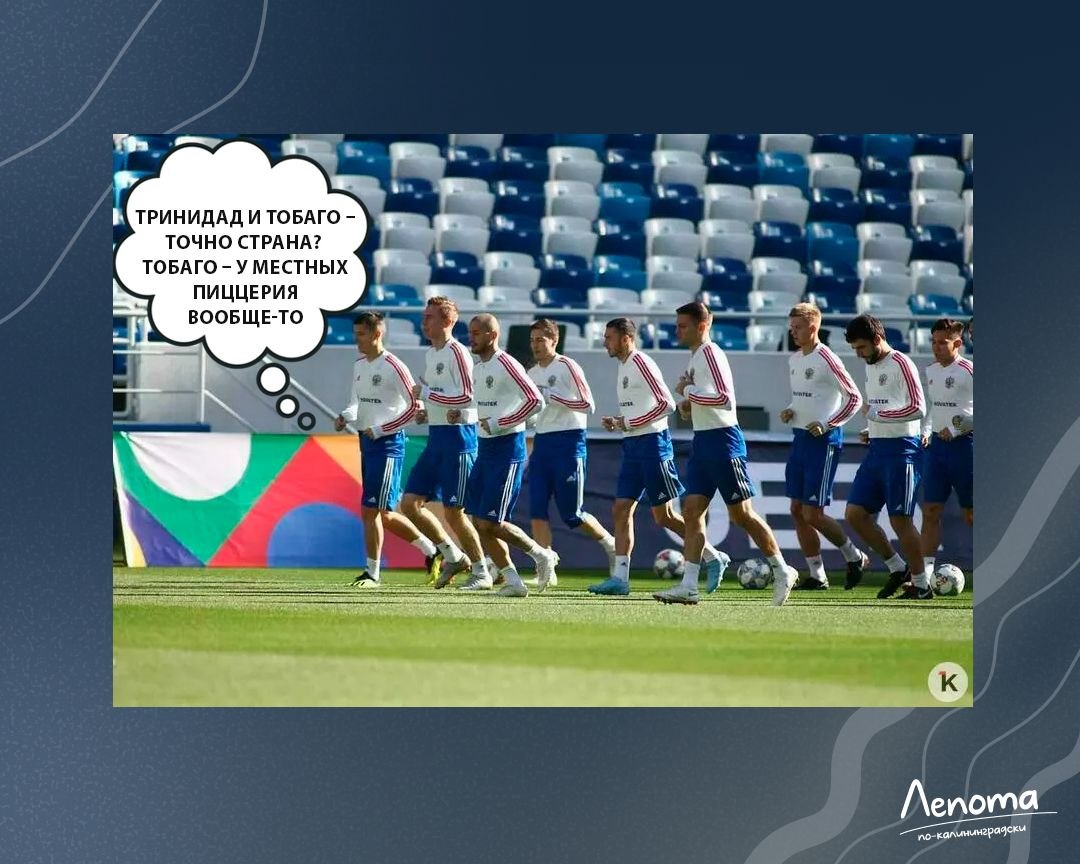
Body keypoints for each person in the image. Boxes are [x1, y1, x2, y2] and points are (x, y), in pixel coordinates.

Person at [654, 302, 796, 606]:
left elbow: (724, 399)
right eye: (677, 325)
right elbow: (705, 399)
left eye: (682, 325)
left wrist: (687, 391)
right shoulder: (696, 356)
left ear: (702, 325)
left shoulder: (711, 353)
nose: (677, 331)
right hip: (703, 441)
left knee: (742, 515)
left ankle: (783, 570)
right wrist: (688, 404)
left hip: (724, 441)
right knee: (692, 512)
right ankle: (689, 585)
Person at [590, 316, 729, 598]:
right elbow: (639, 409)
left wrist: (628, 423)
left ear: (626, 338)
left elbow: (666, 405)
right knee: (621, 509)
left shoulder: (641, 362)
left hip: (653, 444)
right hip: (632, 445)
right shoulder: (623, 366)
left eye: (609, 337)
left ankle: (713, 556)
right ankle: (620, 579)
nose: (605, 342)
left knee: (663, 516)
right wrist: (620, 422)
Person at [333, 312, 441, 586]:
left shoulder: (394, 366)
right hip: (366, 442)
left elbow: (415, 407)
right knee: (384, 513)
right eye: (355, 334)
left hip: (388, 445)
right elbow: (356, 402)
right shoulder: (360, 365)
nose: (356, 340)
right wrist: (346, 415)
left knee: (371, 511)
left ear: (377, 334)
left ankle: (373, 573)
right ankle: (432, 551)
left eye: (361, 334)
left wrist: (381, 429)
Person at [458, 313, 558, 597]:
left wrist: (500, 423)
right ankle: (513, 580)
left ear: (492, 335)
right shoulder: (479, 368)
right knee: (479, 520)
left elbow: (535, 401)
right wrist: (462, 414)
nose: (471, 338)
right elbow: (483, 405)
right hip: (485, 447)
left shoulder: (506, 363)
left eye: (477, 333)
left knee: (492, 521)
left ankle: (541, 554)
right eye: (470, 332)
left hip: (507, 448)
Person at [399, 296, 492, 590]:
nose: (424, 322)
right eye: (424, 316)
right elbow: (443, 396)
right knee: (409, 504)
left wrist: (427, 395)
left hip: (459, 439)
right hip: (436, 437)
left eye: (430, 317)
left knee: (455, 511)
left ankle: (482, 571)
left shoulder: (458, 352)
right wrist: (427, 412)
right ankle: (453, 556)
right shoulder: (432, 354)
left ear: (448, 321)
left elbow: (468, 396)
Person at [779, 302, 870, 591]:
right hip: (800, 438)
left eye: (797, 327)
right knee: (797, 509)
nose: (793, 332)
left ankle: (854, 556)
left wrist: (829, 423)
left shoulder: (827, 358)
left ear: (813, 327)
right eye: (791, 328)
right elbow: (808, 397)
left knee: (813, 513)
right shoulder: (795, 360)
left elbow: (854, 398)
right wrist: (791, 409)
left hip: (824, 441)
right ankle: (817, 575)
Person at [843, 314, 932, 599]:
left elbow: (917, 408)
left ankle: (921, 585)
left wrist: (879, 416)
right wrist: (872, 429)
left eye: (861, 347)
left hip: (903, 450)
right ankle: (897, 567)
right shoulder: (871, 366)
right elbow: (883, 408)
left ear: (877, 339)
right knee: (855, 514)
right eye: (855, 348)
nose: (858, 354)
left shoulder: (901, 363)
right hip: (878, 450)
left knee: (900, 520)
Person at [525, 318, 616, 591]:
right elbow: (533, 409)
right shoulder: (531, 373)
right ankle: (545, 568)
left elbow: (588, 405)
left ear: (554, 341)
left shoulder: (567, 366)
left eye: (541, 340)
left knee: (571, 514)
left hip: (568, 443)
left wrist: (554, 396)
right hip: (542, 443)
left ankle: (610, 545)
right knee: (536, 507)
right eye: (532, 341)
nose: (536, 346)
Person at [920, 318, 973, 579]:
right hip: (937, 449)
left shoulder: (968, 371)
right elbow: (935, 407)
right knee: (930, 510)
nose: (936, 347)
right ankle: (923, 576)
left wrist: (955, 428)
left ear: (958, 343)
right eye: (933, 342)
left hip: (965, 446)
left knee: (971, 513)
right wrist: (926, 430)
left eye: (943, 342)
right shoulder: (931, 371)